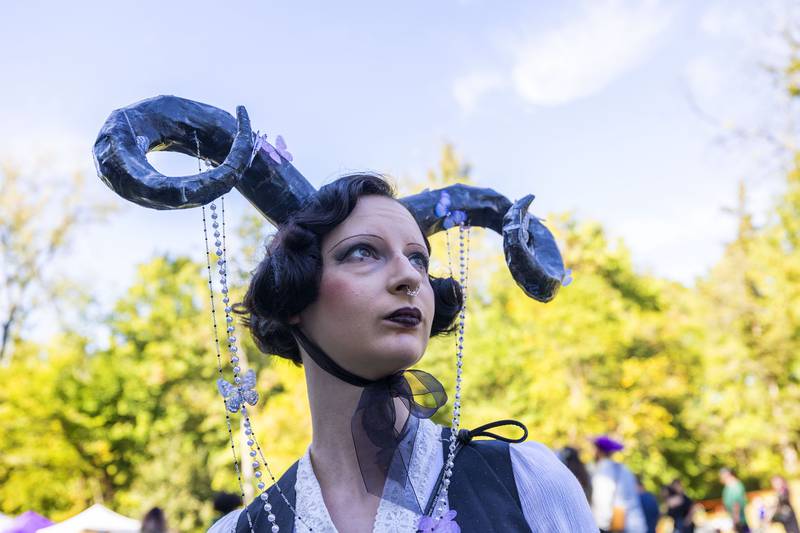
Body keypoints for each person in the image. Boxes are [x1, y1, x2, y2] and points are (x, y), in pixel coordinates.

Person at [206, 175, 597, 532]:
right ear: (294, 291)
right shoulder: (242, 529)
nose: (410, 276)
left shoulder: (527, 481)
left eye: (418, 259)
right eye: (363, 253)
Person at [590, 436, 647, 533]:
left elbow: (602, 504)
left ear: (599, 451)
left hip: (619, 528)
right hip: (636, 525)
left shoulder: (603, 471)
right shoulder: (624, 469)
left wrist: (599, 527)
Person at [720, 468, 750, 533]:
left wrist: (735, 522)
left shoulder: (736, 486)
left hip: (739, 522)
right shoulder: (727, 487)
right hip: (732, 520)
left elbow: (736, 504)